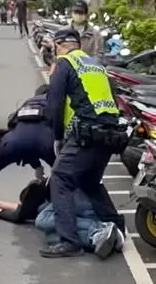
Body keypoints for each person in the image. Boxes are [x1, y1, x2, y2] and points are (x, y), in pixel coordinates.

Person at [41, 28, 127, 258]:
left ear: (59, 46)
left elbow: (55, 106)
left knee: (60, 178)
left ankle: (69, 241)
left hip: (88, 134)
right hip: (111, 134)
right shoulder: (97, 65)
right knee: (89, 181)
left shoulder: (64, 64)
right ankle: (116, 225)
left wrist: (57, 137)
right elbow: (113, 99)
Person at [0, 191, 122, 259]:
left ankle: (97, 230)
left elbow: (22, 213)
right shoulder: (43, 199)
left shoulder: (49, 197)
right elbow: (22, 210)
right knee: (52, 237)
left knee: (43, 221)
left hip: (84, 203)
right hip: (82, 206)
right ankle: (99, 237)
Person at [0, 84, 57, 200]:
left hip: (13, 140)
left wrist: (37, 167)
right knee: (64, 173)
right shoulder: (57, 101)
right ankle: (68, 209)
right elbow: (34, 137)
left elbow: (21, 133)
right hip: (46, 142)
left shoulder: (28, 103)